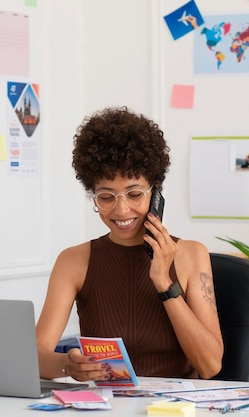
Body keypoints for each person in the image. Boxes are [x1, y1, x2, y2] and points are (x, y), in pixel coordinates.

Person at [36, 106, 223, 382]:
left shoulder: (192, 255)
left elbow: (209, 366)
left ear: (155, 190)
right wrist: (67, 364)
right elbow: (35, 354)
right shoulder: (74, 261)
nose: (121, 210)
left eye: (135, 194)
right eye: (106, 197)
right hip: (106, 407)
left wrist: (164, 284)